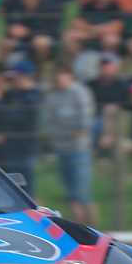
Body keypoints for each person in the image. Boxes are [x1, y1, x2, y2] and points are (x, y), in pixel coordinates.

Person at [40, 65, 97, 223]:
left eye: (62, 76)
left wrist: (75, 131)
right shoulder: (52, 96)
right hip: (61, 148)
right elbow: (49, 121)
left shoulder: (80, 93)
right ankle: (78, 226)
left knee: (82, 193)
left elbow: (84, 121)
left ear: (70, 76)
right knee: (71, 194)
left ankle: (93, 227)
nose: (59, 80)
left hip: (79, 149)